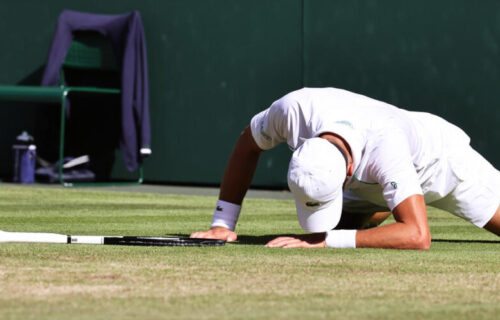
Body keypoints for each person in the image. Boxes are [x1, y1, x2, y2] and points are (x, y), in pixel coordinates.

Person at [190, 87, 500, 249]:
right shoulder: (294, 111)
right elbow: (248, 142)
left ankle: (392, 202)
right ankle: (386, 203)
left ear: (348, 171)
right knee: (323, 234)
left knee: (331, 236)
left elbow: (418, 236)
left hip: (442, 166)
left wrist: (329, 242)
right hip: (375, 181)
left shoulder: (385, 147)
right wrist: (223, 223)